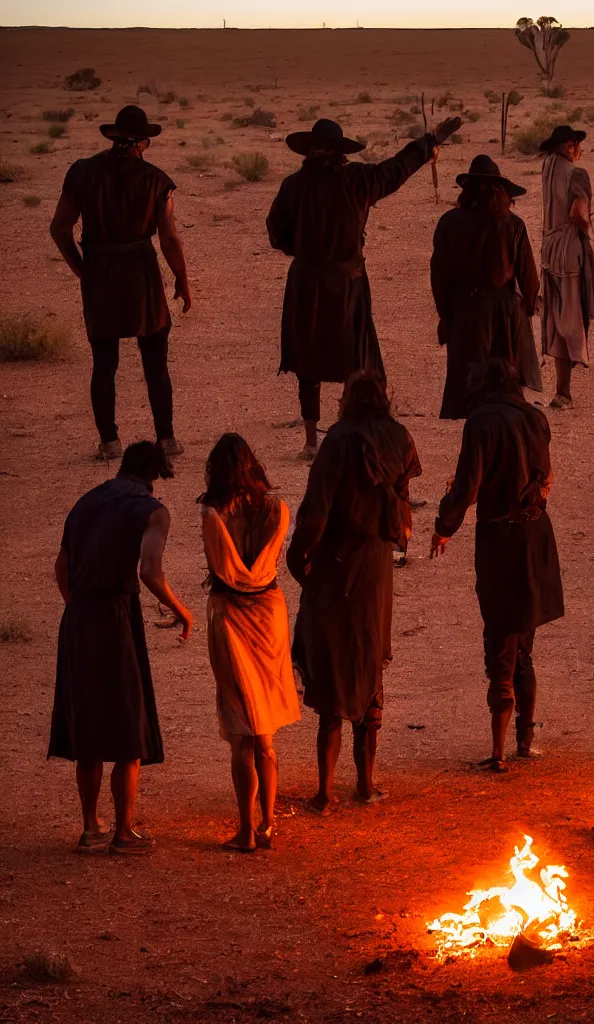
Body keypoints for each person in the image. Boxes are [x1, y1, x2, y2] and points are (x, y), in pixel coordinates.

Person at [267, 115, 462, 459]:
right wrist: (427, 144)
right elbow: (396, 170)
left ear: (311, 152)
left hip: (307, 282)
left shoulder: (293, 185)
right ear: (340, 153)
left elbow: (277, 234)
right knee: (354, 355)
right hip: (346, 281)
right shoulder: (357, 180)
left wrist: (307, 252)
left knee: (309, 359)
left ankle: (312, 441)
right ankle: (348, 429)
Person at [48, 441, 192, 854]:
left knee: (89, 726)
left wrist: (76, 609)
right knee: (131, 725)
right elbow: (149, 571)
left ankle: (91, 826)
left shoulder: (85, 502)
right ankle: (124, 831)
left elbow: (62, 566)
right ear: (152, 476)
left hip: (78, 618)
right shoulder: (151, 510)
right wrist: (181, 610)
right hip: (115, 617)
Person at [287, 371, 421, 810]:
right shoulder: (400, 438)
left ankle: (325, 792)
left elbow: (317, 511)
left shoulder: (338, 440)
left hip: (336, 567)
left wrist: (298, 557)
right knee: (369, 666)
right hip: (376, 570)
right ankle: (365, 784)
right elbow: (402, 504)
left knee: (330, 677)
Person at [430, 358, 564, 771]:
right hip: (536, 534)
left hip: (500, 539)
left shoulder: (481, 422)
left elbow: (468, 484)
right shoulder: (536, 418)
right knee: (524, 641)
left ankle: (498, 751)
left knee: (501, 639)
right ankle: (524, 741)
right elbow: (544, 477)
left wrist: (444, 526)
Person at [49, 105, 191, 461]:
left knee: (104, 362)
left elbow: (59, 227)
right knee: (155, 363)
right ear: (144, 142)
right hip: (141, 273)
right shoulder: (157, 181)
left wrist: (83, 269)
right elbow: (170, 239)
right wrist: (182, 279)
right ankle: (167, 439)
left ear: (113, 139)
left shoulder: (82, 173)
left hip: (100, 271)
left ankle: (110, 442)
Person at [199, 434, 300, 851]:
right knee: (266, 734)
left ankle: (245, 830)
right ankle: (269, 823)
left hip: (230, 617)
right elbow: (270, 563)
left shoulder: (212, 515)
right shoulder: (277, 509)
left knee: (242, 727)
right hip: (269, 615)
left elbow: (223, 571)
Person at [430, 155, 542, 419]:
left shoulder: (449, 223)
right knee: (507, 387)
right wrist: (526, 307)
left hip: (466, 312)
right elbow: (529, 278)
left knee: (471, 391)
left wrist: (447, 316)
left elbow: (439, 278)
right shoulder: (513, 225)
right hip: (504, 314)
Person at [539, 124, 594, 410]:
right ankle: (563, 391)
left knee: (555, 318)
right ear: (568, 146)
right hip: (568, 250)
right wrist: (586, 227)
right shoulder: (576, 173)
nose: (580, 152)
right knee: (571, 318)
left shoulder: (548, 167)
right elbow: (578, 211)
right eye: (577, 145)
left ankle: (561, 389)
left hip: (549, 249)